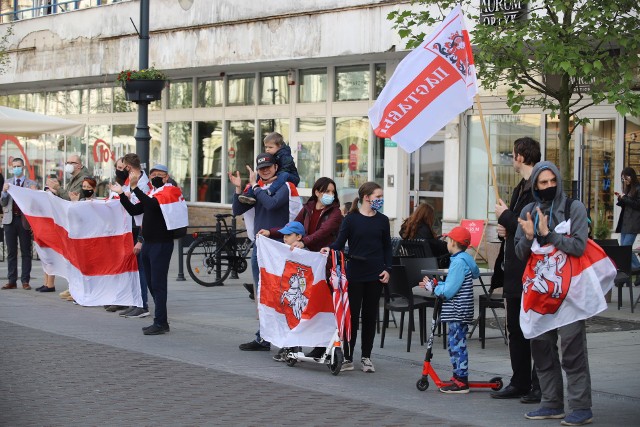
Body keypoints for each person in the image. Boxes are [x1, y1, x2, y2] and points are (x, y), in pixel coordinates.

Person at [515, 161, 594, 426]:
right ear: (535, 185)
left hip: (569, 294)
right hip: (538, 296)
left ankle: (581, 407)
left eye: (552, 181)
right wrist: (528, 237)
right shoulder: (528, 211)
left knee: (573, 352)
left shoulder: (575, 208)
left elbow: (579, 246)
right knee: (542, 350)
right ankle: (551, 403)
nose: (549, 186)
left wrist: (548, 235)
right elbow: (518, 253)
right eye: (543, 182)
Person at [259, 177, 343, 360]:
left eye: (332, 192)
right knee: (300, 306)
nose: (330, 195)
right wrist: (271, 232)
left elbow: (324, 232)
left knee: (319, 306)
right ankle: (295, 344)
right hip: (305, 264)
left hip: (323, 265)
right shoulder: (307, 209)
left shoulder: (335, 214)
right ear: (317, 192)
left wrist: (304, 242)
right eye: (326, 191)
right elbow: (291, 227)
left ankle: (321, 345)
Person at [230, 152, 299, 351]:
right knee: (262, 295)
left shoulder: (286, 186)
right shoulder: (257, 187)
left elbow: (272, 204)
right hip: (260, 247)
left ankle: (287, 339)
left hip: (280, 248)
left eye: (268, 166)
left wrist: (255, 186)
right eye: (261, 168)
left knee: (282, 294)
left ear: (276, 167)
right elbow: (237, 210)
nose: (265, 170)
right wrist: (238, 187)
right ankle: (263, 336)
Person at [490, 137, 542, 403]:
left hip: (530, 270)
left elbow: (529, 226)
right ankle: (519, 380)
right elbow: (514, 228)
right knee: (516, 329)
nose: (512, 159)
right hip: (513, 270)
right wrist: (503, 229)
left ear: (520, 156)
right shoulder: (520, 186)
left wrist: (505, 216)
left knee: (534, 329)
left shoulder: (538, 186)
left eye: (513, 155)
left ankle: (538, 384)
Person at [321, 181, 392, 373]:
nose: (381, 200)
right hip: (355, 273)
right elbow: (339, 242)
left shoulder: (383, 220)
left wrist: (388, 269)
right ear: (366, 197)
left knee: (370, 317)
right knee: (351, 317)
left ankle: (366, 357)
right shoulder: (351, 219)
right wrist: (329, 248)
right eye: (378, 196)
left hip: (375, 274)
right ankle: (348, 357)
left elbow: (387, 247)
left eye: (381, 196)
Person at [112, 164, 181, 335]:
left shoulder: (170, 191)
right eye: (153, 175)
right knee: (151, 283)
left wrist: (135, 188)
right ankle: (161, 320)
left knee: (158, 284)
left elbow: (151, 205)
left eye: (160, 175)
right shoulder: (152, 193)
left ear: (166, 177)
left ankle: (160, 322)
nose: (156, 177)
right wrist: (122, 195)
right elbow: (135, 210)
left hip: (161, 243)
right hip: (148, 243)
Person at [421, 226, 479, 393]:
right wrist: (437, 284)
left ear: (453, 243)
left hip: (457, 311)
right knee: (454, 343)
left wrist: (434, 289)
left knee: (457, 344)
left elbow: (450, 291)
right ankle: (457, 375)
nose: (446, 242)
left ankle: (461, 380)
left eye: (448, 239)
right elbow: (453, 285)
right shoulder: (463, 260)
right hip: (459, 310)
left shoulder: (458, 263)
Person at [108, 155, 151, 318]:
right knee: (135, 268)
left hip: (141, 228)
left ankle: (143, 304)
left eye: (123, 167)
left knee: (141, 269)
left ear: (129, 167)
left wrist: (141, 239)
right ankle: (136, 302)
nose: (121, 171)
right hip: (132, 226)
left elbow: (141, 210)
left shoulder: (143, 184)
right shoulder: (133, 181)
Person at [1, 158, 37, 290]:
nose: (16, 168)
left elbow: (35, 203)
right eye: (14, 166)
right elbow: (3, 203)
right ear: (11, 168)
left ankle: (25, 280)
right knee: (11, 251)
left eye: (19, 166)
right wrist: (4, 192)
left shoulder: (30, 184)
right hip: (10, 220)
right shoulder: (8, 182)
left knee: (26, 251)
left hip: (24, 220)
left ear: (23, 168)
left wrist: (34, 194)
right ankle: (12, 280)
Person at [238, 132, 300, 204]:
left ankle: (269, 191)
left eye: (270, 147)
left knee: (284, 174)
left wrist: (273, 178)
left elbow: (285, 169)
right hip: (279, 175)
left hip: (291, 177)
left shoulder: (285, 155)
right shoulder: (273, 154)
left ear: (279, 146)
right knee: (259, 173)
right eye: (266, 147)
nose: (267, 149)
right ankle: (250, 194)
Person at [615, 167, 640, 275]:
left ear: (632, 176)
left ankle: (636, 269)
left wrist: (625, 198)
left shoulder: (638, 188)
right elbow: (627, 205)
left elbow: (638, 205)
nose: (625, 181)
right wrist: (621, 199)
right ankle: (635, 270)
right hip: (625, 223)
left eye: (626, 178)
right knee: (624, 248)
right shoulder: (628, 189)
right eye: (623, 179)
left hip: (633, 223)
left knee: (625, 248)